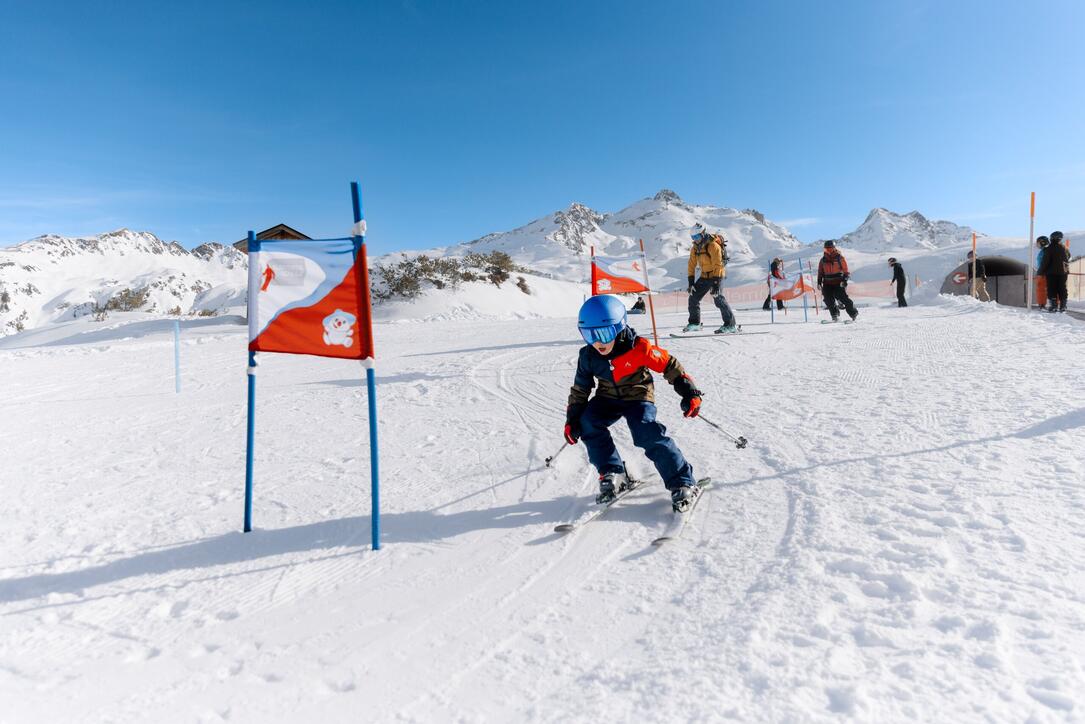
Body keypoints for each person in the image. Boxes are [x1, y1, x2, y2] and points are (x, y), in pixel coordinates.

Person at [564, 295, 703, 511]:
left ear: (619, 327)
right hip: (607, 397)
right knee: (588, 422)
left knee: (645, 431)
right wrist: (572, 419)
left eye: (603, 333)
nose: (598, 342)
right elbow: (581, 388)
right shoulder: (588, 355)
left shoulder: (639, 348)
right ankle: (613, 472)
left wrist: (689, 392)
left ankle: (683, 481)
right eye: (589, 335)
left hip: (638, 396)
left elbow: (669, 365)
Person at [684, 222, 737, 333]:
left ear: (703, 234)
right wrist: (691, 283)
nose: (695, 239)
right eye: (693, 237)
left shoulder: (713, 245)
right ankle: (694, 323)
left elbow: (718, 264)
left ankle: (731, 325)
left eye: (697, 236)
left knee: (718, 298)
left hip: (716, 275)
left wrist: (716, 284)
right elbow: (691, 264)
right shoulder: (695, 248)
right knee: (693, 297)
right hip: (704, 276)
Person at [817, 240, 858, 322]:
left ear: (834, 248)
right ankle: (834, 315)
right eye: (826, 249)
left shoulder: (839, 258)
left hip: (838, 282)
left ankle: (853, 314)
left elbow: (846, 271)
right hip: (827, 282)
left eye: (830, 249)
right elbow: (820, 272)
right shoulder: (823, 260)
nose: (828, 251)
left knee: (843, 298)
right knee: (828, 299)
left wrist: (845, 280)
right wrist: (819, 282)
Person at [1038, 231, 1070, 312]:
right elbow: (1067, 259)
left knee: (1052, 289)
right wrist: (1066, 271)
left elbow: (1045, 262)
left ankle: (1053, 306)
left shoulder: (1049, 249)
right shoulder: (1064, 248)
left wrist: (1040, 271)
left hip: (1051, 273)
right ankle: (1063, 306)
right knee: (1062, 288)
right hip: (1063, 273)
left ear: (1052, 238)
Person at [1035, 236, 1050, 309]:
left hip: (1043, 273)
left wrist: (1040, 271)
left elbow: (1043, 262)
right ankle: (1056, 304)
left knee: (1041, 289)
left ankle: (1041, 304)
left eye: (1038, 243)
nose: (1037, 245)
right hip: (1045, 272)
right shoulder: (1046, 250)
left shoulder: (1045, 251)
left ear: (1042, 243)